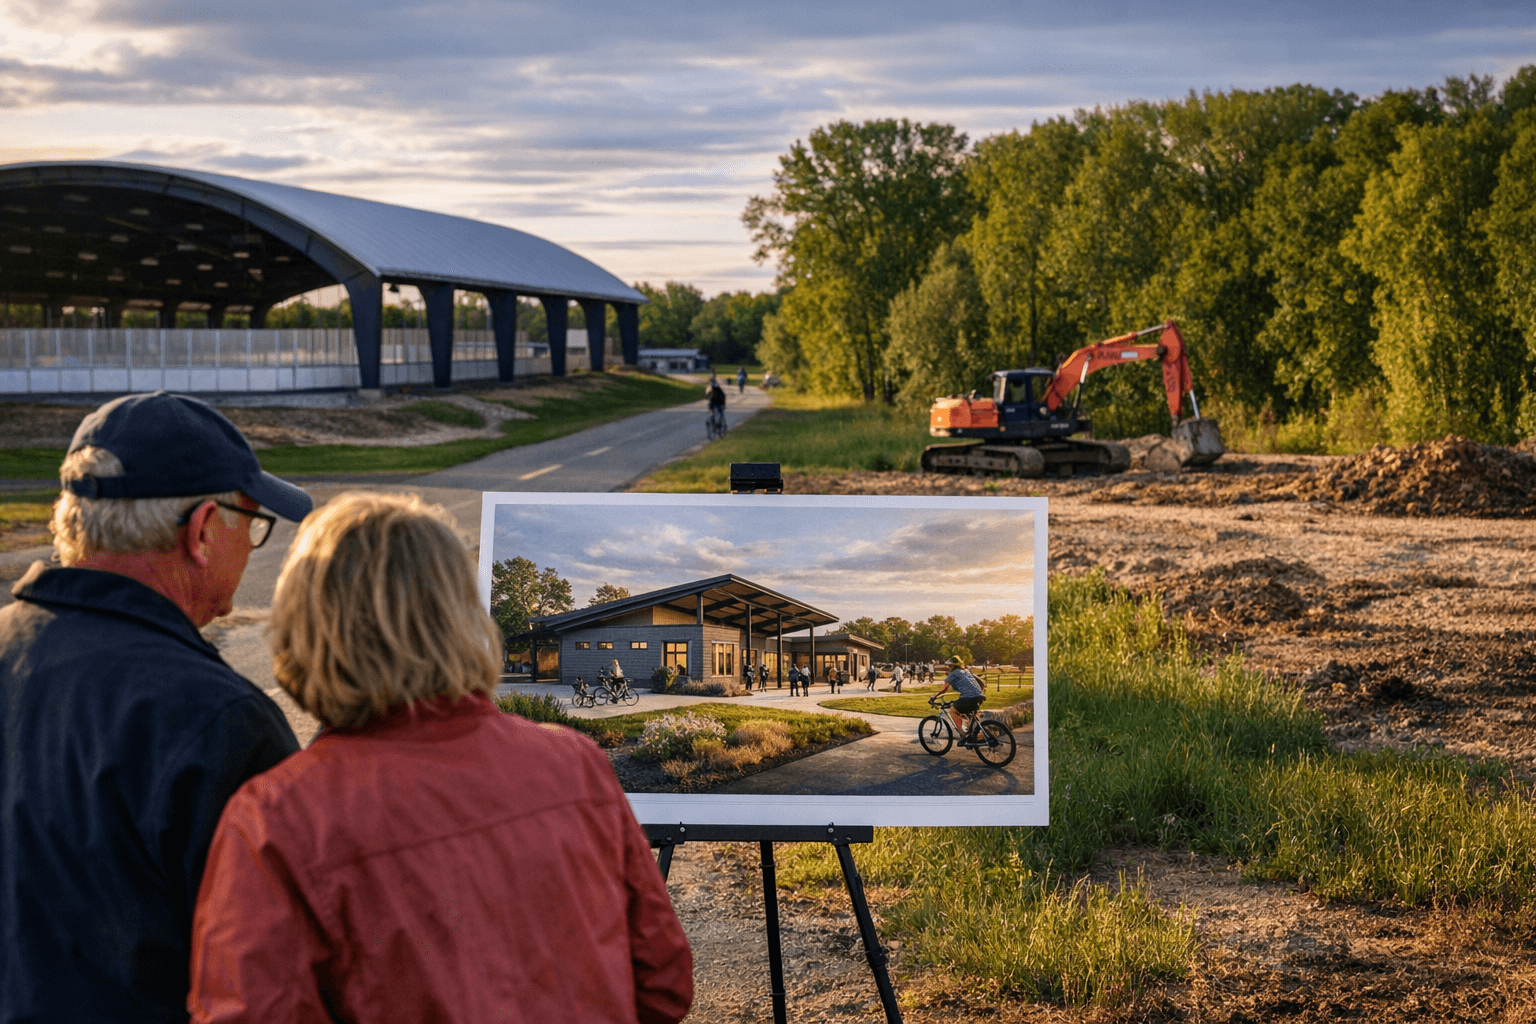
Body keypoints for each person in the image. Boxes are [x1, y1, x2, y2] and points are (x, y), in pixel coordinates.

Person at [188, 493, 693, 1024]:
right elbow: (663, 983)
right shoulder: (574, 763)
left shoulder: (278, 821)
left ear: (304, 628)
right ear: (463, 620)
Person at [0, 390, 313, 1023]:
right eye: (251, 524)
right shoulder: (216, 722)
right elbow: (281, 980)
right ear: (201, 531)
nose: (251, 544)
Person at [934, 654, 987, 737]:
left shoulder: (954, 673)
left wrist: (934, 697)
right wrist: (980, 693)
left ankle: (962, 733)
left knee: (952, 710)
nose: (948, 668)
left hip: (969, 698)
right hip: (979, 697)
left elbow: (944, 688)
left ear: (953, 666)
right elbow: (982, 683)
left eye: (949, 666)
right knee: (966, 711)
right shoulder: (966, 671)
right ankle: (975, 734)